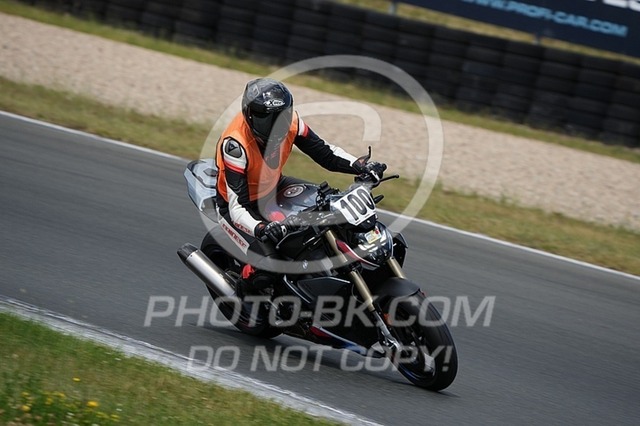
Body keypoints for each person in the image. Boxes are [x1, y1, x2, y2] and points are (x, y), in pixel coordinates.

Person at [215, 77, 385, 292]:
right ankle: (241, 289)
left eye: (281, 118)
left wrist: (360, 167)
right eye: (266, 119)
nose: (275, 127)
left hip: (274, 186)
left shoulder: (292, 123)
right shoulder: (235, 144)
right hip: (242, 206)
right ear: (249, 115)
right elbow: (237, 206)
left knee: (327, 212)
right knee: (271, 266)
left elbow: (325, 153)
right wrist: (261, 228)